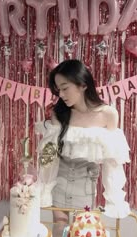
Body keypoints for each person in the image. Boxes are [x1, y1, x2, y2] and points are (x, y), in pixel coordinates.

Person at [36, 59, 131, 223]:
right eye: (58, 90)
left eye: (65, 88)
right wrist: (43, 187)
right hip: (59, 185)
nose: (61, 95)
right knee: (59, 233)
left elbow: (112, 162)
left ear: (83, 84)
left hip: (85, 190)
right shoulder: (59, 114)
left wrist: (114, 197)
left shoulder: (108, 115)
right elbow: (49, 156)